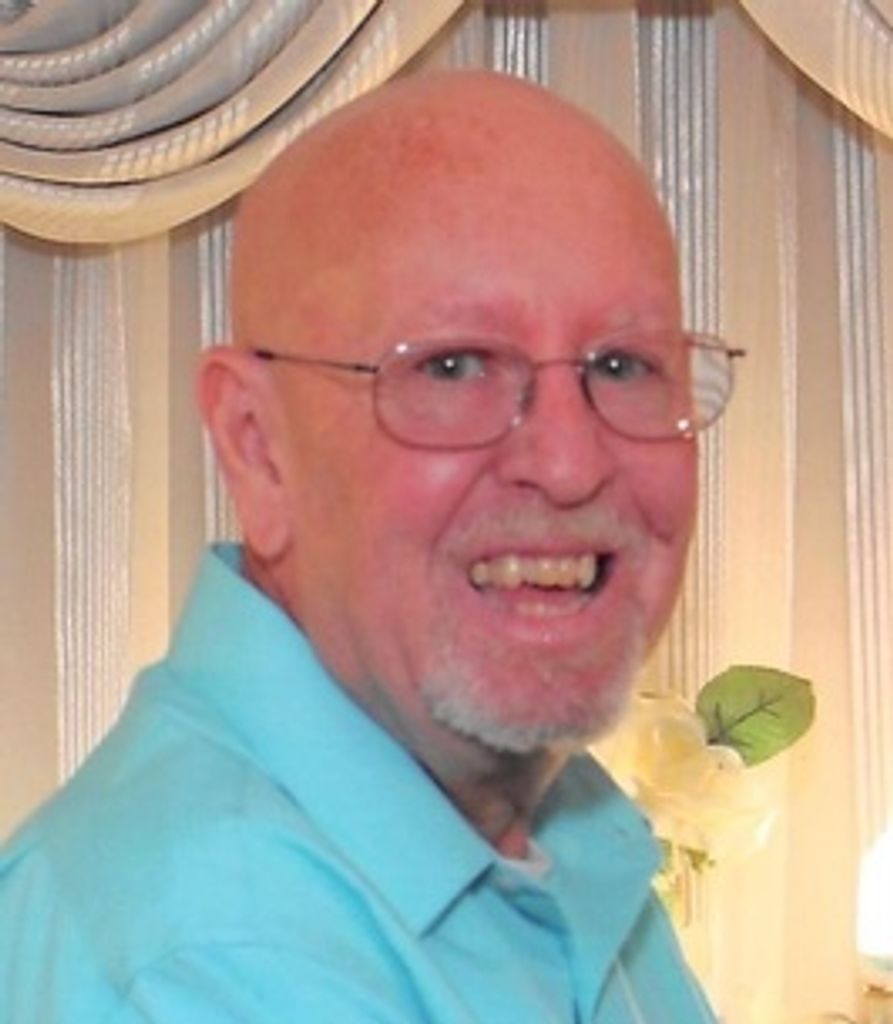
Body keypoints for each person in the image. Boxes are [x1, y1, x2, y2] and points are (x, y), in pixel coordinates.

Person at [0, 70, 738, 1022]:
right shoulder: (207, 958)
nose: (567, 463)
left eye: (623, 365)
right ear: (258, 448)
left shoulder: (557, 838)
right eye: (451, 367)